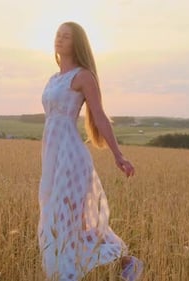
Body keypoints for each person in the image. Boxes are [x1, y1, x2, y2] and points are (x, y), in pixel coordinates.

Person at [38, 21, 144, 281]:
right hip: (51, 158)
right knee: (53, 216)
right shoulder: (54, 79)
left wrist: (118, 155)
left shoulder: (83, 76)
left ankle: (120, 263)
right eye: (57, 35)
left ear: (77, 43)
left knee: (69, 220)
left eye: (66, 36)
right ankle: (74, 271)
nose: (59, 40)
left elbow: (99, 116)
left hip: (71, 158)